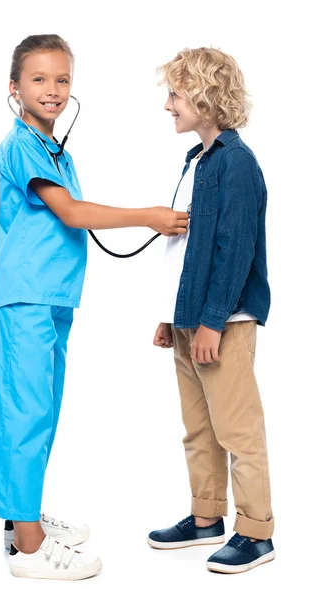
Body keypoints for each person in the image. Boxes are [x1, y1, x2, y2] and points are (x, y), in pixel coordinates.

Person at [0, 33, 188, 581]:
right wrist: (149, 215)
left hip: (51, 297)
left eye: (62, 79)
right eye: (39, 79)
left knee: (32, 413)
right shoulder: (21, 144)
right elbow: (69, 213)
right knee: (26, 414)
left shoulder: (51, 149)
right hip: (29, 295)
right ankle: (28, 548)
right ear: (14, 87)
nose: (52, 90)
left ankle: (22, 519)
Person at [147, 47, 275, 574]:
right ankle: (207, 518)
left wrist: (212, 321)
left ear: (204, 96)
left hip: (221, 323)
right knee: (198, 428)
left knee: (237, 430)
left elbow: (234, 249)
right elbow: (188, 249)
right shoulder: (197, 160)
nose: (168, 106)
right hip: (191, 320)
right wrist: (170, 314)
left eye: (175, 94)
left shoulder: (237, 164)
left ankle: (256, 532)